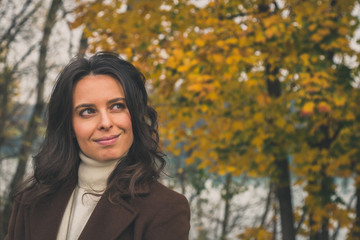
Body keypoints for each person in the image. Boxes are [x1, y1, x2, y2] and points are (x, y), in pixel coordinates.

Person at [5, 52, 190, 240]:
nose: (105, 123)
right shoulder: (31, 201)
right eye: (87, 111)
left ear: (134, 114)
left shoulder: (165, 208)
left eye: (117, 106)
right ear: (69, 125)